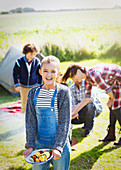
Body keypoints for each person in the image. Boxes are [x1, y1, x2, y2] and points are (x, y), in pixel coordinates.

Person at [23, 55, 71, 170]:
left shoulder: (63, 92)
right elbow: (30, 121)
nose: (49, 75)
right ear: (40, 72)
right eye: (45, 71)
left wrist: (58, 147)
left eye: (53, 71)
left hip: (60, 144)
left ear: (58, 73)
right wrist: (30, 145)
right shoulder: (33, 93)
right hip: (39, 144)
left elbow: (65, 122)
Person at [61, 63, 121, 145]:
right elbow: (86, 99)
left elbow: (107, 88)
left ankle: (113, 134)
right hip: (114, 84)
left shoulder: (92, 73)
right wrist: (73, 112)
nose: (74, 79)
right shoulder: (87, 80)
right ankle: (111, 134)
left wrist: (112, 99)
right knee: (112, 107)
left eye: (73, 77)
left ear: (78, 71)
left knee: (115, 108)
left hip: (119, 80)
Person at [13, 43, 42, 113]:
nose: (33, 56)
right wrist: (16, 84)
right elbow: (15, 73)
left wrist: (39, 84)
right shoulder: (19, 62)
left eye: (34, 54)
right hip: (23, 86)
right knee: (24, 103)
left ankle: (34, 118)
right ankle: (24, 117)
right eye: (31, 54)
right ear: (25, 53)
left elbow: (39, 73)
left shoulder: (37, 61)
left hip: (34, 85)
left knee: (34, 102)